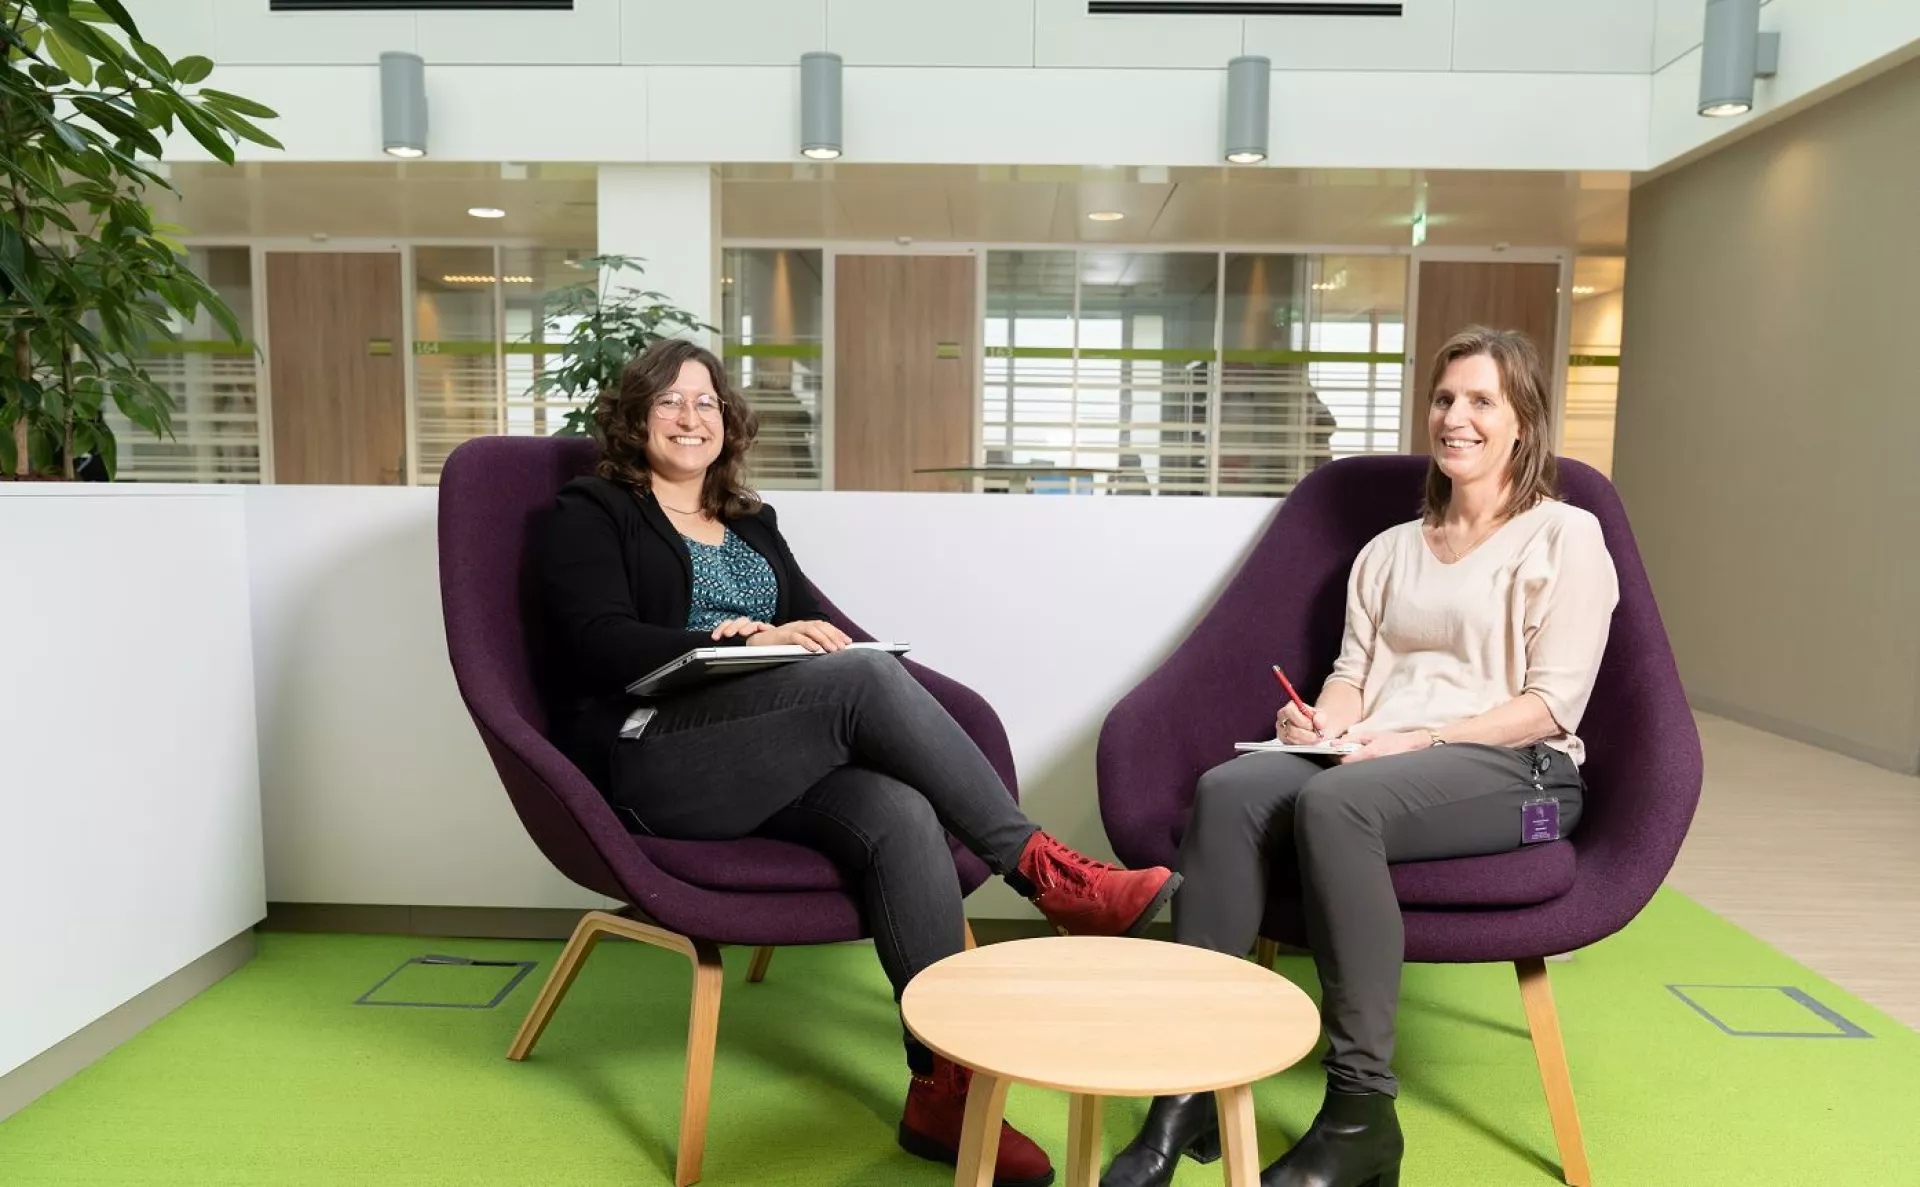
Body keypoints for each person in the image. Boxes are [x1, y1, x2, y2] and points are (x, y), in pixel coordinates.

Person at [537, 337, 1181, 1187]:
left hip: (766, 754)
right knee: (864, 682)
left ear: (728, 421)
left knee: (900, 812)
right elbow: (593, 642)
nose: (690, 417)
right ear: (635, 418)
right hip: (659, 758)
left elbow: (816, 628)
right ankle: (1046, 874)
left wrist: (794, 638)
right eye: (669, 401)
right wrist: (734, 641)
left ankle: (944, 1088)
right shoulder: (592, 510)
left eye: (706, 401)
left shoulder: (752, 524)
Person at [1102, 326, 1619, 1187]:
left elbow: (1550, 704)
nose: (1455, 417)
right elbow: (1353, 677)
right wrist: (1316, 721)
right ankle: (1191, 1082)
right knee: (1228, 790)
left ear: (1523, 420)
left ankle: (1359, 1115)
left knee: (1336, 804)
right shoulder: (1388, 550)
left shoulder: (1566, 536)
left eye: (1481, 400)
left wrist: (1419, 738)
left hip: (1518, 768)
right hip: (1377, 753)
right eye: (1445, 398)